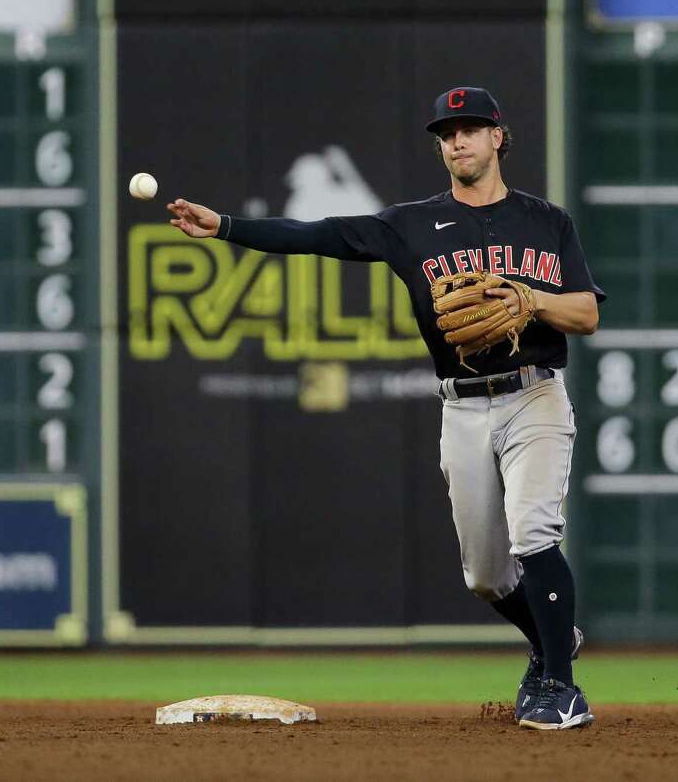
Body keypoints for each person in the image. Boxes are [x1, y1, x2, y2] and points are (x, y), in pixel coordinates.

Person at [167, 86, 606, 730]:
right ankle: (553, 638)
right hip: (461, 405)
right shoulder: (411, 225)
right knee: (485, 575)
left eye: (470, 128)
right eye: (446, 132)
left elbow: (587, 313)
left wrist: (531, 301)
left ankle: (561, 689)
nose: (457, 140)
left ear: (498, 137)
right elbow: (317, 234)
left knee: (533, 531)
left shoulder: (548, 222)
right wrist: (226, 226)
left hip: (534, 392)